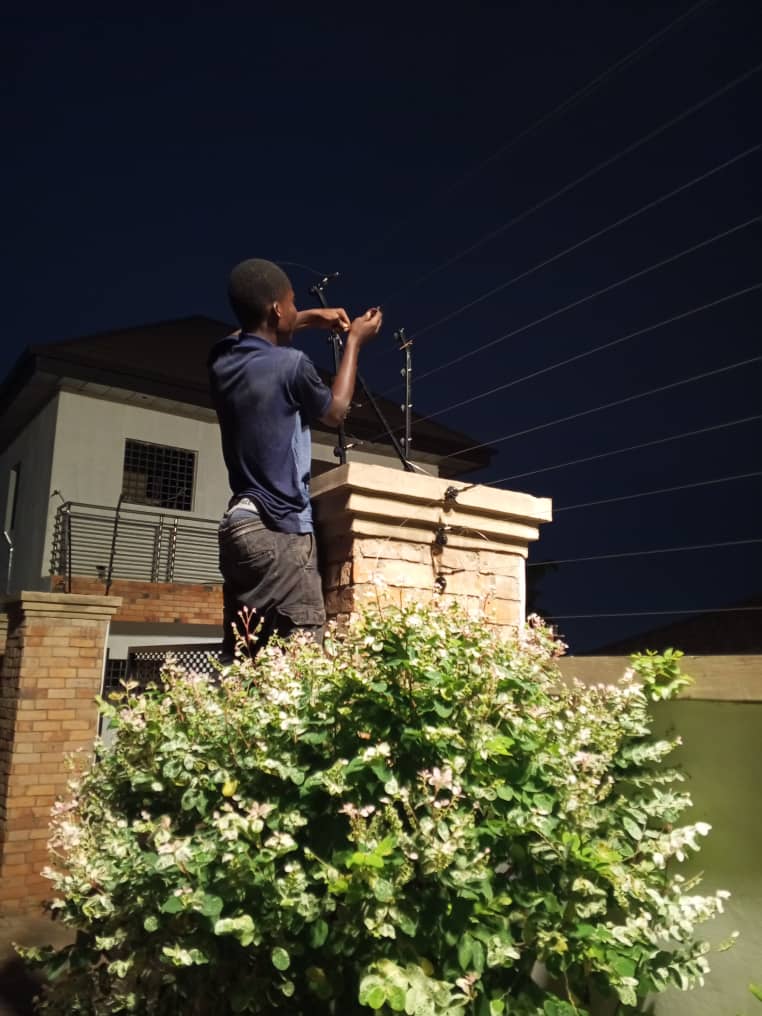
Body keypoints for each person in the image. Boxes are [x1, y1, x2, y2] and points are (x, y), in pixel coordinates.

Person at [208, 258, 382, 659]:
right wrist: (354, 340)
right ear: (276, 309)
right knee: (301, 666)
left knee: (246, 662)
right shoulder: (291, 365)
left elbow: (246, 328)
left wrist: (303, 317)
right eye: (290, 302)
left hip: (238, 528)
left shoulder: (222, 362)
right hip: (277, 528)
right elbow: (335, 410)